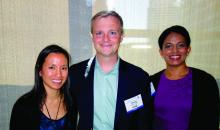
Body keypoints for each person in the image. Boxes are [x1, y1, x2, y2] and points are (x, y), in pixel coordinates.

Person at [69, 10, 152, 130]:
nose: (106, 39)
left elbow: (144, 123)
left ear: (121, 36)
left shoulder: (139, 78)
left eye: (112, 33)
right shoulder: (75, 74)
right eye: (99, 33)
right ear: (92, 36)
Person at [150, 25, 220, 130]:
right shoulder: (151, 81)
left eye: (180, 45)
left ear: (188, 50)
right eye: (168, 46)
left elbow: (212, 122)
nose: (175, 51)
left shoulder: (205, 81)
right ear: (161, 52)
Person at [10, 44, 77, 130]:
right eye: (52, 67)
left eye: (63, 68)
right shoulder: (24, 106)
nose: (59, 74)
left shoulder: (71, 101)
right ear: (40, 71)